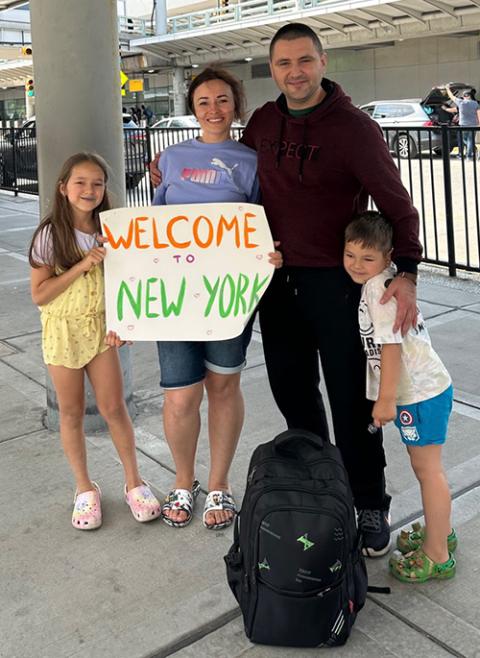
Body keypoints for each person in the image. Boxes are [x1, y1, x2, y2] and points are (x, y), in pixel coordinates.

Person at [150, 24, 422, 556]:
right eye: (282, 63)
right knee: (294, 395)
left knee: (352, 400)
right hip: (275, 283)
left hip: (338, 286)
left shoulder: (353, 128)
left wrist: (406, 270)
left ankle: (369, 502)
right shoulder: (265, 123)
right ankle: (322, 488)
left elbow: (396, 201)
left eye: (303, 60)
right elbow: (229, 178)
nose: (294, 72)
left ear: (322, 62)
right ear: (272, 69)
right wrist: (165, 167)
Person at [149, 67, 281, 531]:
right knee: (180, 396)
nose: (213, 109)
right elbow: (152, 227)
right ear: (192, 107)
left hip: (229, 298)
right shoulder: (169, 158)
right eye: (203, 101)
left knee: (223, 386)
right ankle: (184, 481)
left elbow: (260, 223)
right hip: (175, 297)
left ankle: (219, 481)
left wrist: (267, 255)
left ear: (237, 104)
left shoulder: (250, 160)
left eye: (222, 100)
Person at [29, 152, 161, 531]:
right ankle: (84, 488)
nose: (89, 190)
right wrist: (83, 265)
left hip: (103, 332)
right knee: (71, 412)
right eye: (81, 182)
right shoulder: (50, 235)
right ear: (63, 187)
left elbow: (132, 280)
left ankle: (134, 481)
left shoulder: (115, 230)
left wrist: (129, 320)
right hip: (63, 332)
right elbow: (40, 294)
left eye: (97, 183)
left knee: (113, 406)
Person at [344, 211, 456, 581]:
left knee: (428, 471)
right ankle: (440, 533)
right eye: (350, 255)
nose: (357, 265)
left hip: (419, 394)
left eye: (368, 257)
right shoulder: (380, 282)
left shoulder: (379, 289)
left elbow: (390, 348)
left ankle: (437, 553)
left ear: (388, 257)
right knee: (426, 467)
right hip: (424, 390)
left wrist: (385, 399)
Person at [442, 85, 480, 159]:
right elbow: (479, 113)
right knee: (470, 140)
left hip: (463, 125)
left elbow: (452, 97)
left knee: (464, 139)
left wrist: (447, 89)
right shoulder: (475, 103)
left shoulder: (461, 102)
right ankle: (469, 156)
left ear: (464, 96)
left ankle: (471, 153)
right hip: (473, 125)